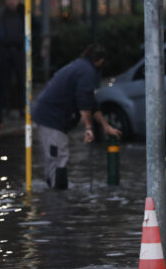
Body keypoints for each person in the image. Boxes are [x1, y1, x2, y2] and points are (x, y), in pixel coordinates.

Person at [32, 44, 122, 190]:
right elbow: (84, 102)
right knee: (58, 157)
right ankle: (58, 199)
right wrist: (88, 128)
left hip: (52, 117)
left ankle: (54, 193)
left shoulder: (81, 67)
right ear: (100, 61)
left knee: (55, 157)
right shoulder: (86, 72)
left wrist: (105, 126)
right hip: (51, 118)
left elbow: (91, 103)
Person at [0, 0, 25, 115]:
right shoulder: (0, 15)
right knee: (4, 80)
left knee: (21, 80)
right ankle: (5, 107)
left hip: (19, 51)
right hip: (5, 51)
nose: (12, 2)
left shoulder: (22, 13)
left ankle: (21, 106)